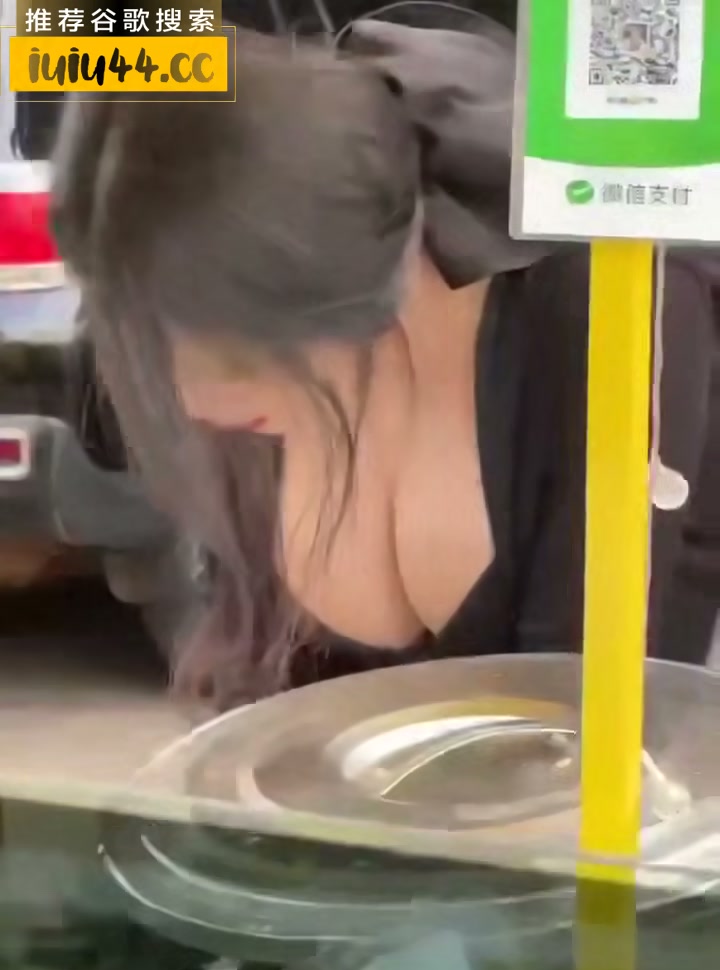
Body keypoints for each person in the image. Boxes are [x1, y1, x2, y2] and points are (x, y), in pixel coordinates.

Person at [51, 16, 716, 709]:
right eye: (163, 351)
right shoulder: (200, 272)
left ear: (329, 281)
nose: (197, 402)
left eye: (236, 356)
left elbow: (585, 729)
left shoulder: (608, 317)